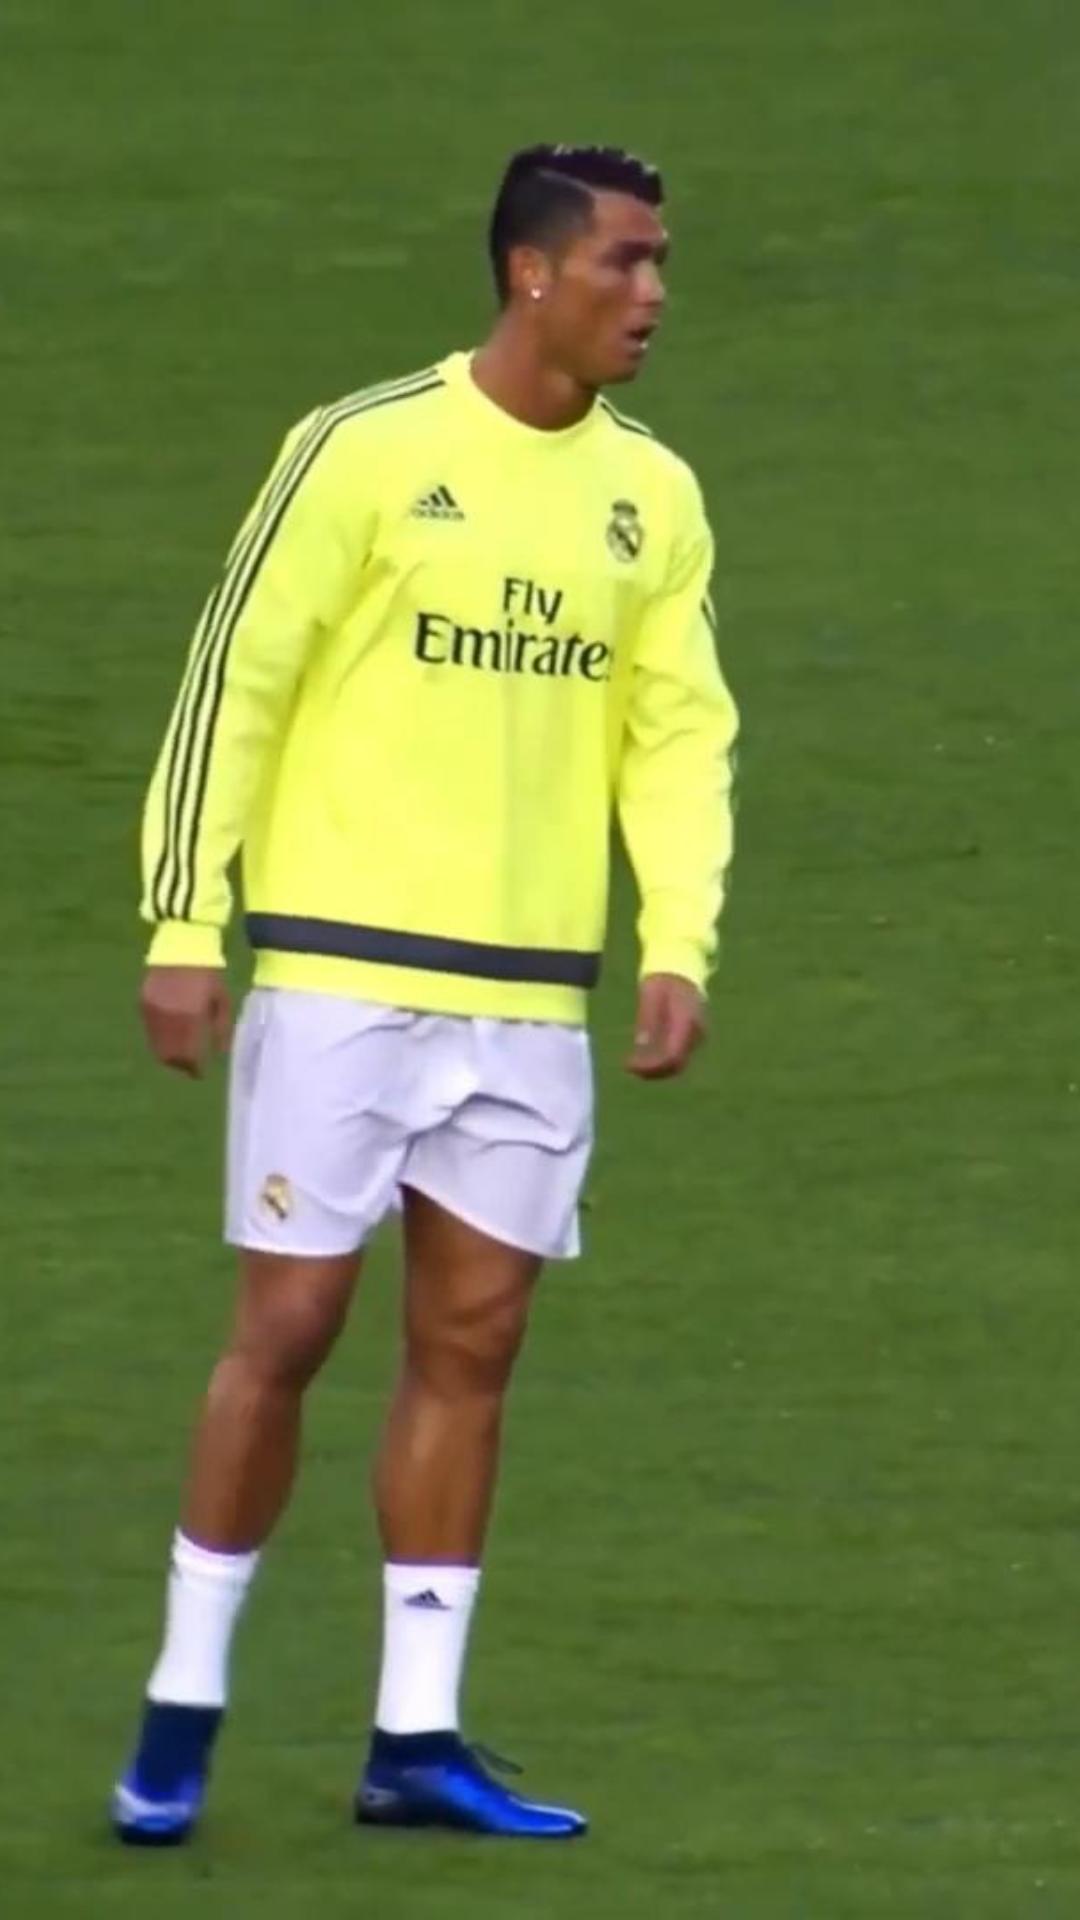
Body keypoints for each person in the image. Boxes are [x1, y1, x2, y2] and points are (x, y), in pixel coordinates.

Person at [113, 141, 738, 1847]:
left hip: (528, 995)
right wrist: (186, 921)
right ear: (533, 272)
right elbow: (236, 679)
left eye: (661, 264)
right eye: (624, 263)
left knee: (475, 1344)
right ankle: (183, 1699)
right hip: (341, 973)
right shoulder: (365, 449)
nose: (653, 296)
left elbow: (679, 736)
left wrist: (677, 942)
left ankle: (415, 1738)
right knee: (290, 1329)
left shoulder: (654, 496)